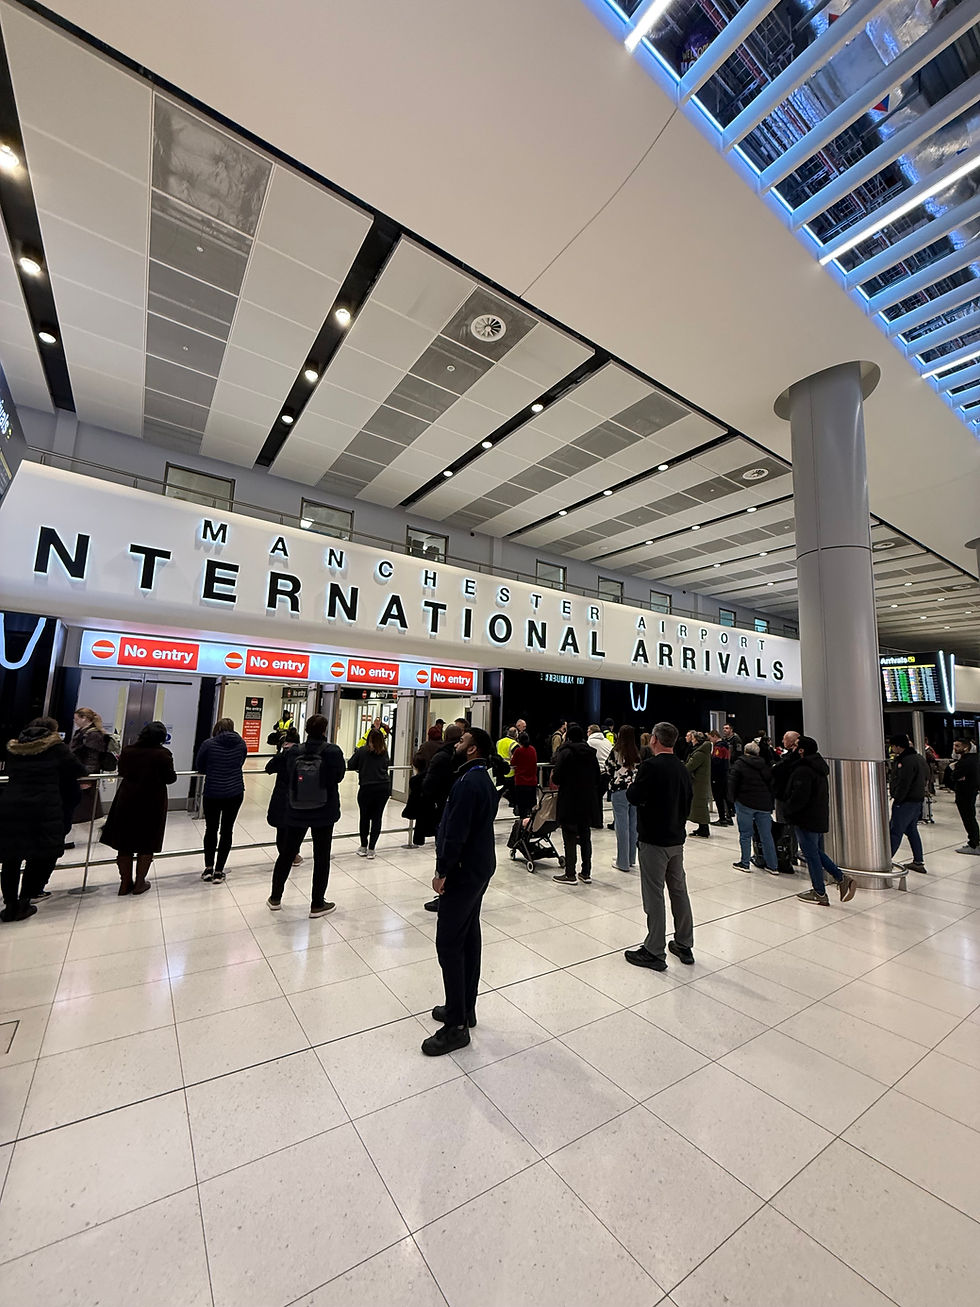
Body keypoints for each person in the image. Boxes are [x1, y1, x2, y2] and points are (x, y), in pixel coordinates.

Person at [423, 727, 499, 1056]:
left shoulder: (469, 783)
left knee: (449, 943)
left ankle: (455, 1025)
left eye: (463, 740)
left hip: (464, 871)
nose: (458, 743)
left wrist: (442, 871)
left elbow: (455, 832)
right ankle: (465, 1007)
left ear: (473, 749)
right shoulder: (480, 778)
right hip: (480, 866)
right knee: (469, 936)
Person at [624, 721, 695, 971]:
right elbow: (688, 801)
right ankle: (684, 943)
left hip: (653, 840)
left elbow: (634, 796)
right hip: (676, 838)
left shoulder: (650, 767)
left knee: (653, 893)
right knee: (678, 890)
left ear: (654, 739)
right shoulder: (682, 768)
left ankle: (654, 950)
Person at [0, 717, 84, 921]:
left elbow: (9, 771)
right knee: (37, 855)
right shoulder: (57, 748)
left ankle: (10, 904)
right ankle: (25, 901)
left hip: (11, 805)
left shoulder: (14, 747)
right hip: (43, 807)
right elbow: (79, 770)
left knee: (11, 858)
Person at [267, 714, 345, 917]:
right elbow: (338, 776)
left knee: (286, 854)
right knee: (321, 857)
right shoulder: (333, 751)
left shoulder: (294, 751)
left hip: (296, 809)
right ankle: (317, 903)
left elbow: (284, 769)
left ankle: (275, 897)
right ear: (325, 730)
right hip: (324, 811)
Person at [100, 721, 177, 895]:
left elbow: (122, 772)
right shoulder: (163, 755)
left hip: (127, 799)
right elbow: (170, 778)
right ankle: (140, 882)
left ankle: (124, 883)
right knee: (147, 843)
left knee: (124, 843)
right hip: (152, 802)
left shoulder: (128, 751)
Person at [783, 735, 856, 906]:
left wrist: (788, 811)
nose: (793, 748)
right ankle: (841, 878)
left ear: (801, 750)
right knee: (814, 851)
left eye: (796, 746)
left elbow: (799, 797)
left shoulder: (804, 770)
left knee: (811, 854)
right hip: (817, 816)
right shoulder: (818, 768)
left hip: (805, 818)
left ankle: (820, 891)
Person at [195, 717, 248, 883]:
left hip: (213, 792)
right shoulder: (241, 743)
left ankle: (208, 868)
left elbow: (200, 765)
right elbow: (240, 762)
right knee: (227, 830)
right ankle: (219, 870)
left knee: (211, 829)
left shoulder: (208, 744)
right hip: (235, 791)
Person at [552, 723, 602, 885]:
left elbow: (557, 777)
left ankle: (570, 873)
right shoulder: (590, 753)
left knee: (569, 836)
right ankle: (586, 872)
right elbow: (596, 776)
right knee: (585, 835)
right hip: (587, 800)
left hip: (569, 799)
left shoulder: (566, 752)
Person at [421, 723, 464, 910]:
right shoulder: (464, 758)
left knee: (444, 851)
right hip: (460, 810)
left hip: (443, 811)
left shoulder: (441, 757)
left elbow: (428, 787)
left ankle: (444, 893)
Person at [729, 741, 779, 875]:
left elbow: (732, 783)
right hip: (763, 804)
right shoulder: (764, 765)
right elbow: (771, 784)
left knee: (745, 834)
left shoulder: (739, 764)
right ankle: (773, 865)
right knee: (766, 835)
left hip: (745, 803)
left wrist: (732, 800)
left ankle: (744, 863)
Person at [888, 733, 930, 874]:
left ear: (898, 746)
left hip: (905, 801)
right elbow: (927, 776)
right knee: (911, 830)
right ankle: (918, 861)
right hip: (917, 800)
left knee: (895, 831)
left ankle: (886, 861)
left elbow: (904, 782)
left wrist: (898, 798)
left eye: (892, 745)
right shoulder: (919, 758)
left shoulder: (905, 761)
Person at [348, 727, 391, 858]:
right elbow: (386, 765)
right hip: (383, 787)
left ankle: (363, 846)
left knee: (364, 817)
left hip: (367, 787)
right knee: (377, 817)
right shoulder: (384, 752)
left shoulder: (362, 751)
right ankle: (372, 849)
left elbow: (351, 764)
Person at [264, 726, 304, 864]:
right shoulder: (302, 753)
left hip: (282, 795)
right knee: (296, 827)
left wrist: (280, 752)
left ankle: (284, 856)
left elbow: (269, 768)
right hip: (298, 795)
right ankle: (294, 854)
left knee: (281, 828)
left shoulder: (284, 755)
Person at [606, 724, 640, 872]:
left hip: (619, 791)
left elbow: (608, 767)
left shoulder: (616, 751)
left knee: (622, 827)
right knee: (633, 826)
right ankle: (631, 858)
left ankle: (622, 861)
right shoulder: (637, 752)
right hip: (634, 791)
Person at [69, 706, 109, 825]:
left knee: (85, 807)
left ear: (84, 718)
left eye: (76, 719)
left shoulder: (93, 735)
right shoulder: (82, 732)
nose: (75, 721)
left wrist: (88, 777)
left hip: (85, 774)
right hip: (79, 772)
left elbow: (93, 758)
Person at [946, 738, 979, 855]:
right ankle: (974, 842)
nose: (955, 748)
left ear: (966, 747)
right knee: (970, 817)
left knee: (968, 818)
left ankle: (974, 843)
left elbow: (954, 775)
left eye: (957, 746)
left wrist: (955, 771)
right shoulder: (973, 759)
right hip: (970, 791)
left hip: (965, 792)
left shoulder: (965, 761)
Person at [685, 730, 712, 837]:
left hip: (698, 782)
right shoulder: (701, 752)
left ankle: (704, 828)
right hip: (699, 781)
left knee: (700, 805)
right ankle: (702, 827)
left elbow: (689, 766)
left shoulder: (699, 754)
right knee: (699, 805)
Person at [510, 731, 538, 818]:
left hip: (521, 782)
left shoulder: (518, 751)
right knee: (532, 806)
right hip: (532, 782)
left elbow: (513, 763)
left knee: (522, 808)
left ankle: (522, 826)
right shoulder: (532, 749)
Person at [707, 730, 732, 826]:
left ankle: (722, 818)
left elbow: (716, 761)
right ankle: (728, 817)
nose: (710, 741)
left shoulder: (719, 746)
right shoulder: (725, 745)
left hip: (718, 775)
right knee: (725, 796)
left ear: (714, 736)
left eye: (710, 738)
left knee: (718, 797)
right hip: (725, 773)